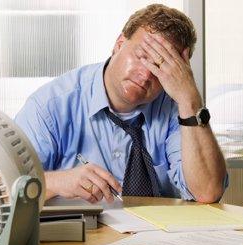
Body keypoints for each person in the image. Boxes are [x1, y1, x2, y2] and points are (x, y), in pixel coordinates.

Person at [15, 4, 228, 204]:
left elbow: (207, 191)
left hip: (159, 239)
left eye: (159, 67)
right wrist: (56, 181)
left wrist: (190, 99)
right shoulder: (51, 105)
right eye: (141, 56)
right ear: (119, 44)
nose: (145, 75)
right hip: (81, 238)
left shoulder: (178, 107)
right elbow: (1, 189)